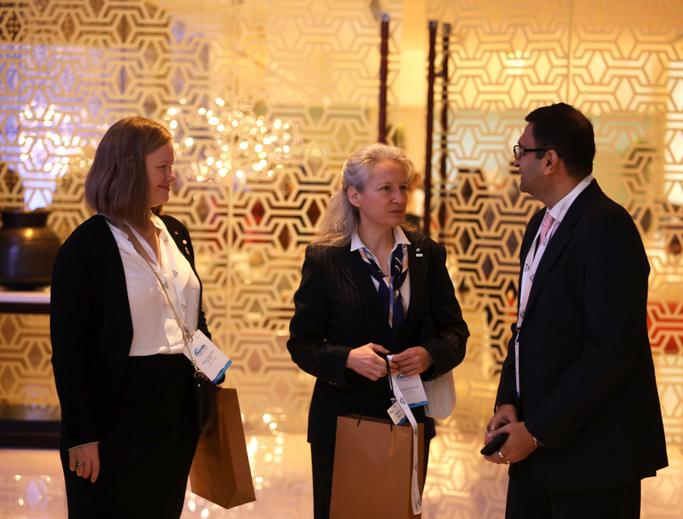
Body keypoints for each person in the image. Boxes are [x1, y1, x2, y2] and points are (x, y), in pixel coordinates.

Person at [484, 103, 668, 518]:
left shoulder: (607, 226)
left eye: (522, 150)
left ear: (550, 160)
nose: (516, 161)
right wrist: (508, 400)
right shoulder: (539, 224)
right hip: (536, 449)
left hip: (593, 458)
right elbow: (525, 325)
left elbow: (610, 351)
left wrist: (537, 431)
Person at [287, 143, 469, 519]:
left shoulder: (426, 254)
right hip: (343, 419)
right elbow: (302, 343)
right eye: (386, 189)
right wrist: (347, 358)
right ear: (354, 195)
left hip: (409, 419)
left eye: (403, 187)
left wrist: (429, 355)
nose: (399, 198)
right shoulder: (325, 258)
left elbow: (455, 332)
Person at [50, 116, 211, 518]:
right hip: (116, 407)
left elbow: (191, 316)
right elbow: (69, 353)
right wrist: (82, 436)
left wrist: (214, 373)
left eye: (171, 166)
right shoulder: (86, 247)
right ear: (129, 169)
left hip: (175, 405)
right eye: (163, 167)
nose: (172, 176)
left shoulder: (175, 232)